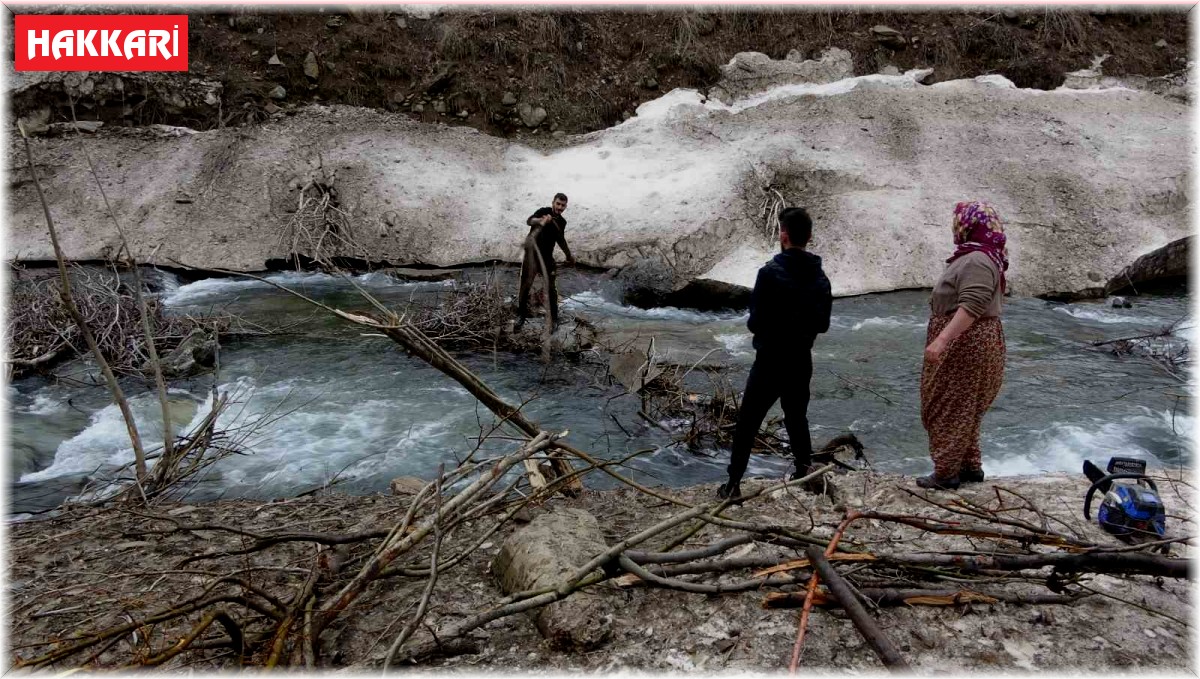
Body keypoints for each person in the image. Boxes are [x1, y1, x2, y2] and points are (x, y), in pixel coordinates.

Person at [718, 207, 832, 500]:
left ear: (784, 235)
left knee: (748, 423)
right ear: (809, 237)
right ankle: (803, 473)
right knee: (797, 418)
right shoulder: (821, 278)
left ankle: (732, 485)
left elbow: (755, 322)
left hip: (770, 360)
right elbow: (823, 324)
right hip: (801, 358)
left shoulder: (768, 274)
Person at [917, 201, 1008, 490]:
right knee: (964, 406)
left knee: (948, 405)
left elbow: (973, 303)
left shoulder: (977, 260)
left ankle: (946, 473)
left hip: (965, 344)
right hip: (973, 342)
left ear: (968, 225)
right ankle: (969, 466)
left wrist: (942, 341)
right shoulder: (977, 256)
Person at [516, 192, 574, 331]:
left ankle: (554, 320)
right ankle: (521, 317)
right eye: (558, 204)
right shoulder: (543, 211)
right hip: (532, 256)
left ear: (565, 207)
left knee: (551, 290)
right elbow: (529, 221)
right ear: (553, 202)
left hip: (547, 258)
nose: (559, 207)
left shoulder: (562, 222)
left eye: (563, 205)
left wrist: (569, 256)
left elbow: (561, 239)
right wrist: (541, 220)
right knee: (525, 286)